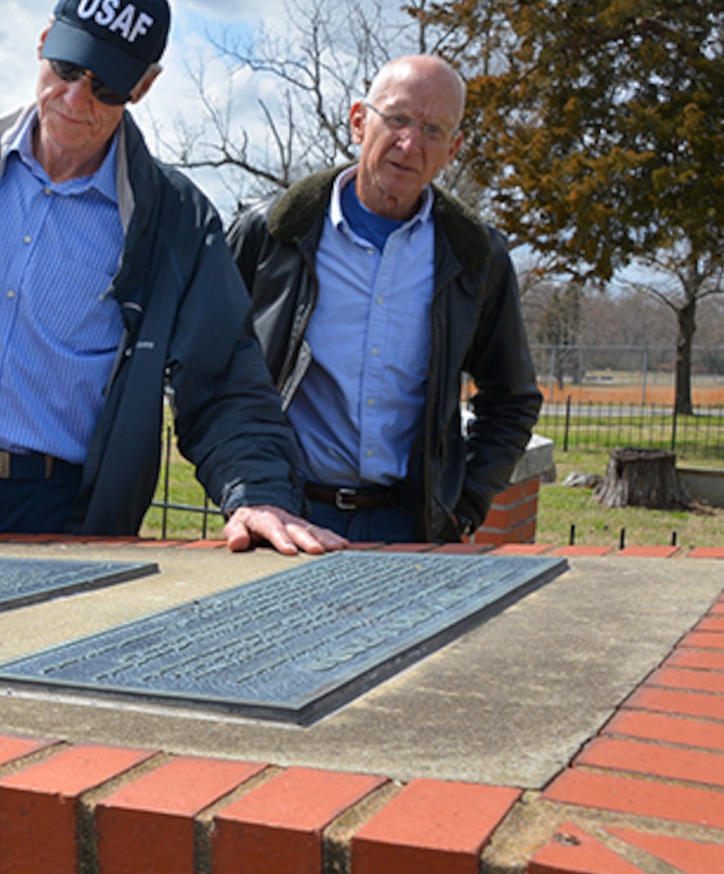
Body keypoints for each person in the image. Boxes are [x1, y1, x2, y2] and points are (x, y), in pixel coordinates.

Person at [0, 0, 342, 555]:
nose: (75, 99)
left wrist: (257, 491)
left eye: (106, 87)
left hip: (63, 510)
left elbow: (224, 375)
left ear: (144, 87)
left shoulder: (176, 219)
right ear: (44, 39)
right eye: (67, 68)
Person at [228, 54, 541, 543]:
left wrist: (464, 504)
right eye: (396, 119)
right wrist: (249, 489)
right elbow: (210, 375)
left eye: (433, 131)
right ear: (358, 122)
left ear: (453, 148)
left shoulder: (475, 259)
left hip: (411, 525)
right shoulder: (271, 236)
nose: (410, 144)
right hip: (286, 514)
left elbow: (512, 398)